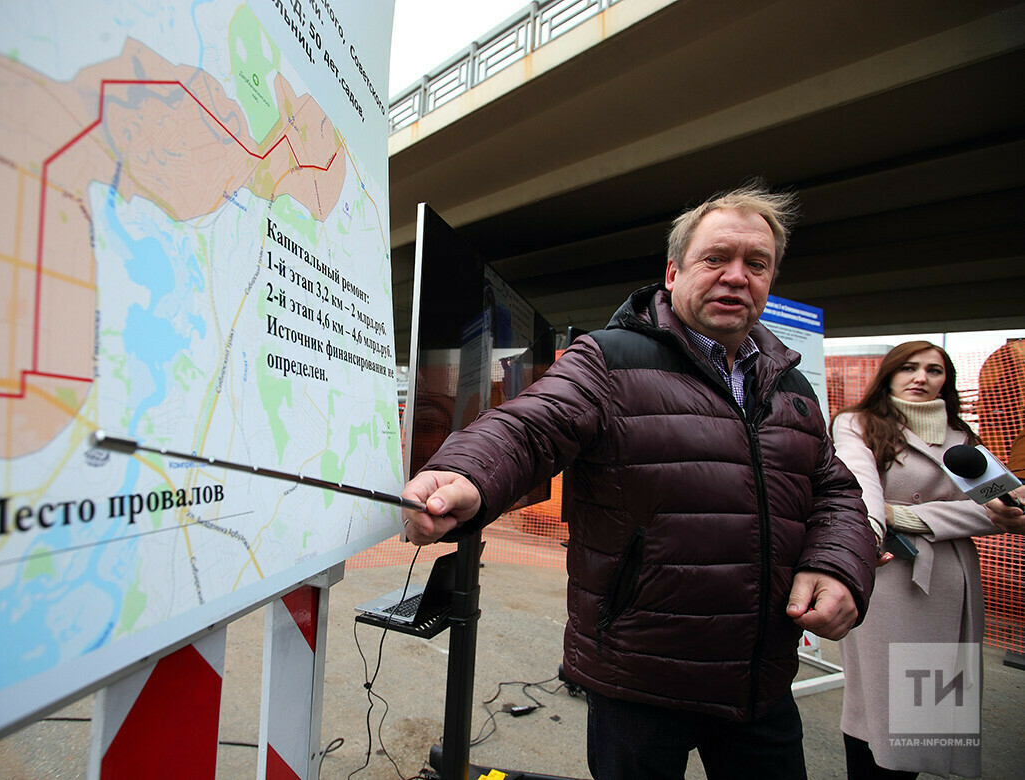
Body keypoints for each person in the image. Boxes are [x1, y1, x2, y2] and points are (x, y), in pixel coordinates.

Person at [401, 182, 877, 779]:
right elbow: (528, 426)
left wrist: (838, 566)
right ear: (673, 272)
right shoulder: (608, 359)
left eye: (756, 264)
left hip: (760, 683)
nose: (737, 276)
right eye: (716, 258)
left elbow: (835, 492)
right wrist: (466, 472)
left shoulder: (792, 388)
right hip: (637, 684)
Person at [832, 341, 1010, 778]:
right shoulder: (857, 423)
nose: (921, 378)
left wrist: (908, 514)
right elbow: (861, 491)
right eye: (909, 368)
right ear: (888, 375)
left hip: (949, 579)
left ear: (945, 381)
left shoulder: (962, 439)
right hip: (888, 574)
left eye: (934, 370)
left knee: (927, 711)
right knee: (877, 704)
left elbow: (1002, 508)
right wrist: (873, 527)